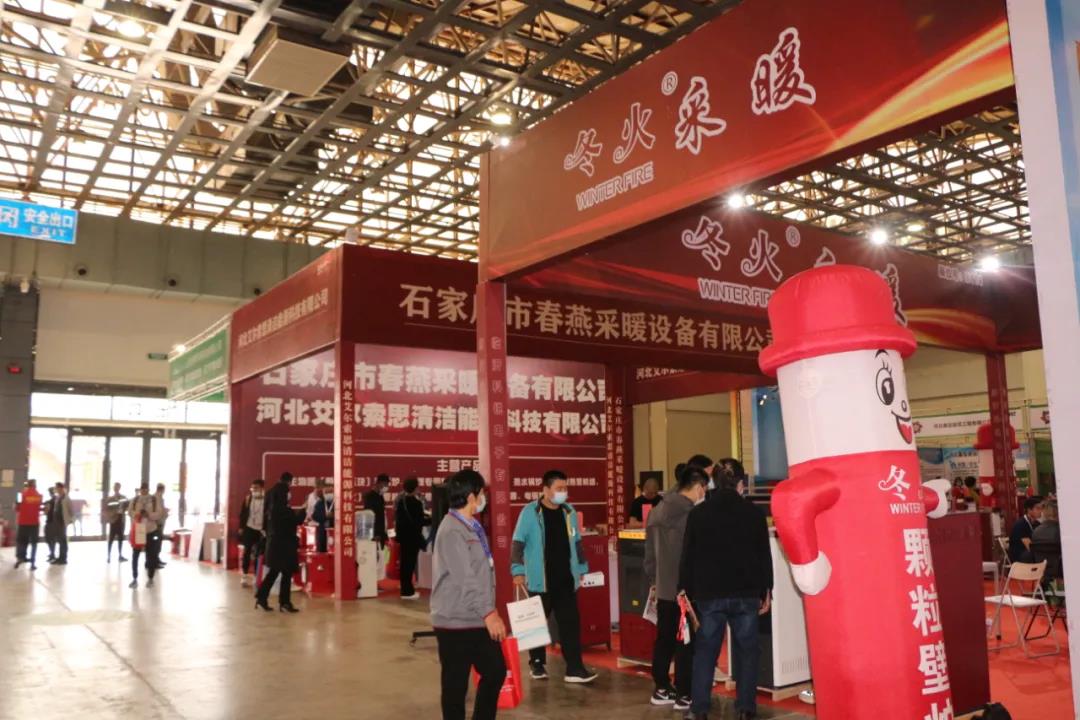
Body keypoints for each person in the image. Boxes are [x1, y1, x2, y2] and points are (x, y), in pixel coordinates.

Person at [680, 460, 772, 720]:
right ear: (741, 484)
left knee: (705, 652)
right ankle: (745, 708)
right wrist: (767, 589)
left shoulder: (698, 514)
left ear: (713, 483)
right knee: (748, 652)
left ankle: (699, 709)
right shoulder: (754, 514)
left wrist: (684, 589)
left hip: (709, 594)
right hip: (746, 594)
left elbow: (688, 556)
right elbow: (763, 556)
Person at [430, 469, 507, 720]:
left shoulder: (471, 526)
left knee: (495, 671)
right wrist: (489, 613)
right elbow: (465, 579)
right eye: (482, 493)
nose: (484, 498)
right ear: (472, 496)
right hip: (455, 621)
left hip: (476, 618)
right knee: (455, 685)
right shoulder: (452, 530)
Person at [510, 469, 597, 684]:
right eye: (559, 488)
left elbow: (577, 542)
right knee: (536, 623)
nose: (563, 492)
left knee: (570, 625)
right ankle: (537, 663)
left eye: (565, 488)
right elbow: (517, 543)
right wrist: (517, 571)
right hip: (541, 579)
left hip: (566, 579)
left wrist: (582, 567)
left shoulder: (569, 512)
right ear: (546, 489)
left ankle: (574, 668)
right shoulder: (530, 512)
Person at [644, 465, 708, 709]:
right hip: (686, 589)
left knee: (665, 639)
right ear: (698, 487)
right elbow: (694, 554)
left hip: (663, 586)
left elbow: (649, 555)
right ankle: (684, 693)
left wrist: (654, 580)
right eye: (704, 488)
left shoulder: (656, 511)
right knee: (686, 642)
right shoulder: (692, 515)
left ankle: (661, 687)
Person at [255, 472, 304, 613]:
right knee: (286, 573)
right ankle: (284, 603)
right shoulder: (284, 510)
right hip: (285, 545)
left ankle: (261, 598)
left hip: (273, 543)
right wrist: (304, 510)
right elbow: (296, 521)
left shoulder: (271, 506)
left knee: (274, 572)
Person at [395, 476, 431, 599]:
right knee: (410, 564)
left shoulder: (401, 502)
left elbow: (399, 521)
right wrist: (432, 520)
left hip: (404, 537)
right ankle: (408, 592)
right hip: (413, 537)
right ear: (415, 488)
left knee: (404, 564)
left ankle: (405, 589)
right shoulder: (416, 503)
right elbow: (419, 521)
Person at [128, 484, 165, 587]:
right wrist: (138, 514)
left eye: (145, 489)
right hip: (139, 531)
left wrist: (149, 515)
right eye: (142, 489)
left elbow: (159, 513)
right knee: (135, 555)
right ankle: (134, 578)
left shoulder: (153, 499)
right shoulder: (135, 499)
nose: (144, 490)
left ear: (148, 489)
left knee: (151, 555)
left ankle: (150, 578)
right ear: (140, 490)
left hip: (151, 530)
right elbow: (130, 512)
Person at [238, 479, 267, 586]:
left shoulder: (266, 500)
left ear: (262, 488)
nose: (254, 490)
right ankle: (244, 575)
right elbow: (242, 514)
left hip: (261, 530)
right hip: (249, 528)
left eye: (256, 488)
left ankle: (256, 576)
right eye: (252, 488)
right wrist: (241, 527)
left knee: (259, 554)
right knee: (247, 552)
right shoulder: (248, 499)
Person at [14, 479, 42, 570]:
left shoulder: (21, 495)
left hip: (23, 522)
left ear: (27, 485)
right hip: (34, 523)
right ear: (35, 485)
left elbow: (17, 509)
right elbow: (39, 507)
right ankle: (33, 563)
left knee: (22, 541)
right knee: (34, 543)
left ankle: (20, 559)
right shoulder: (39, 496)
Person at [1008, 496, 1043, 563]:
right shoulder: (1021, 524)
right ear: (1029, 510)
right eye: (1038, 508)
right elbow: (1029, 546)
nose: (1041, 511)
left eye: (1041, 508)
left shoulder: (1037, 524)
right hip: (1020, 557)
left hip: (1030, 554)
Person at [363, 474, 391, 549]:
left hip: (381, 533)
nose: (387, 487)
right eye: (385, 484)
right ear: (379, 483)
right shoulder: (370, 496)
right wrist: (374, 534)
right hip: (374, 535)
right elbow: (369, 516)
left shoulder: (380, 496)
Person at [103, 482, 128, 563]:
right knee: (111, 539)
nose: (116, 488)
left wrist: (123, 510)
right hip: (113, 521)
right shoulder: (110, 499)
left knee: (121, 538)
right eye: (115, 487)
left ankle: (120, 555)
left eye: (118, 487)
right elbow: (106, 509)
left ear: (119, 488)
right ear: (113, 488)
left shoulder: (124, 497)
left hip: (121, 520)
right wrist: (110, 516)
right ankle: (108, 556)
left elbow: (127, 506)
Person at [49, 483, 73, 565]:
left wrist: (70, 520)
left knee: (63, 540)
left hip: (62, 522)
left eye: (57, 488)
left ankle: (63, 558)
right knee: (59, 540)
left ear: (61, 488)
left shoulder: (66, 498)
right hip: (57, 522)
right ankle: (59, 557)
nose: (56, 489)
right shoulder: (58, 498)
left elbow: (71, 511)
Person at [306, 479, 331, 553]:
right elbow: (310, 513)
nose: (317, 489)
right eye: (316, 487)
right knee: (319, 549)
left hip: (327, 528)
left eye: (320, 487)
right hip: (315, 528)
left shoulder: (329, 499)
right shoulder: (312, 497)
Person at [151, 483, 170, 569]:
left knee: (158, 542)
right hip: (157, 523)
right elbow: (159, 510)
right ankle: (154, 561)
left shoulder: (159, 497)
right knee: (156, 543)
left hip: (159, 522)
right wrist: (165, 511)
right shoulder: (156, 498)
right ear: (162, 489)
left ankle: (156, 559)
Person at [42, 486, 58, 562]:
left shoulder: (50, 501)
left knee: (49, 539)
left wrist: (45, 508)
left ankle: (52, 554)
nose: (50, 493)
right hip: (55, 522)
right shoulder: (56, 500)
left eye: (50, 491)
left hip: (50, 522)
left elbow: (46, 512)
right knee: (52, 539)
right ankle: (52, 553)